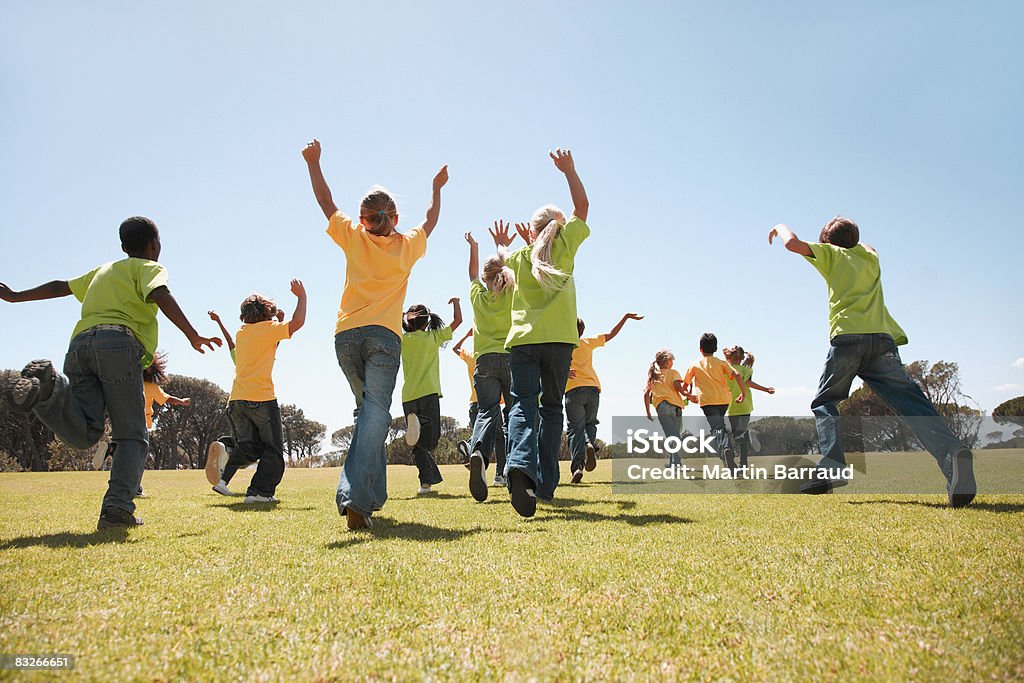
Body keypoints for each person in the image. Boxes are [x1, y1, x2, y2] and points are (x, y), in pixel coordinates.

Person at [1, 216, 220, 528]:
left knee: (86, 433)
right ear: (154, 245)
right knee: (132, 434)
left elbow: (61, 286)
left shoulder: (104, 270)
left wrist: (15, 296)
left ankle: (48, 388)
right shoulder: (149, 268)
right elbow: (160, 293)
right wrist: (193, 334)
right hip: (118, 344)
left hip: (80, 346)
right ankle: (117, 510)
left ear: (122, 246)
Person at [768, 217, 976, 505]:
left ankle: (833, 466)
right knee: (912, 404)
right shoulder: (869, 257)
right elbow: (868, 245)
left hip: (848, 339)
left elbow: (792, 244)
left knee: (825, 402)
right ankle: (952, 453)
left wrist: (779, 227)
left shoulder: (830, 254)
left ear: (827, 242)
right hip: (882, 341)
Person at [302, 138, 448, 529]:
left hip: (346, 336)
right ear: (395, 216)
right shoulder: (407, 246)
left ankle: (370, 496)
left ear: (364, 218)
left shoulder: (353, 235)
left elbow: (325, 201)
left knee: (369, 414)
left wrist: (313, 162)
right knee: (374, 416)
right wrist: (436, 189)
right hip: (383, 339)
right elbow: (431, 219)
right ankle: (356, 499)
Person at [503, 148, 589, 518]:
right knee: (552, 409)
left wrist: (523, 240)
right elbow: (582, 207)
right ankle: (546, 484)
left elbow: (510, 258)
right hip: (559, 341)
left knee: (523, 403)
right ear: (559, 228)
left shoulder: (519, 257)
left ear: (531, 231)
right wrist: (569, 170)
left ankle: (520, 465)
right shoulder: (566, 246)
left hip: (523, 342)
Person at [211, 282, 306, 503]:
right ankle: (259, 492)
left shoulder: (242, 333)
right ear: (267, 312)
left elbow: (268, 346)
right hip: (261, 398)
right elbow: (298, 323)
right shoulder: (268, 330)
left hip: (237, 400)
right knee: (272, 450)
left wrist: (278, 322)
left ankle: (227, 450)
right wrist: (301, 297)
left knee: (250, 446)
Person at [464, 223, 517, 501]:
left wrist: (474, 247)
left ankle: (479, 454)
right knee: (515, 412)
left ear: (485, 278)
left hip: (484, 361)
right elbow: (512, 268)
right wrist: (501, 246)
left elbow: (472, 273)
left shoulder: (478, 296)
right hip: (511, 357)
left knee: (486, 411)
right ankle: (514, 468)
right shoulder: (510, 292)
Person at [565, 313, 643, 482]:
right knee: (590, 424)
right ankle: (589, 445)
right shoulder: (587, 342)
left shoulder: (563, 346)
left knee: (575, 430)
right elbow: (611, 334)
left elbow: (550, 365)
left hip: (573, 391)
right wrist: (625, 317)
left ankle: (577, 468)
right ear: (581, 331)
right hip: (593, 389)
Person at [401, 299, 462, 494]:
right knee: (431, 440)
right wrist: (456, 303)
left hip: (409, 396)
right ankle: (427, 480)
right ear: (427, 322)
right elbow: (458, 320)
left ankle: (426, 483)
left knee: (417, 442)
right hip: (428, 393)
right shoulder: (433, 337)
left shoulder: (402, 340)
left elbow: (390, 322)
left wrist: (401, 315)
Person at [682, 333, 748, 472]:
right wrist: (743, 392)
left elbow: (683, 386)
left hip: (707, 402)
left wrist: (688, 395)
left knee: (718, 428)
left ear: (700, 349)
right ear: (716, 348)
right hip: (724, 400)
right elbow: (736, 374)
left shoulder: (694, 365)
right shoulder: (721, 363)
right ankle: (727, 456)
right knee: (718, 427)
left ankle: (726, 449)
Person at [722, 346, 774, 468]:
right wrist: (766, 389)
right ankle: (743, 464)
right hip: (746, 405)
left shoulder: (726, 369)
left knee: (738, 436)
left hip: (734, 406)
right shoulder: (746, 370)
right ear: (741, 358)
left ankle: (747, 435)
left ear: (728, 356)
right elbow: (748, 383)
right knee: (742, 436)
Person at [643, 350, 694, 467]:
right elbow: (678, 386)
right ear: (666, 361)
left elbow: (646, 394)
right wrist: (687, 394)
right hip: (676, 407)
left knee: (671, 436)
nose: (673, 362)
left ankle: (675, 461)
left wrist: (648, 412)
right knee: (674, 435)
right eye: (672, 360)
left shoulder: (653, 376)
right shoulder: (673, 373)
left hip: (662, 407)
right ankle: (675, 461)